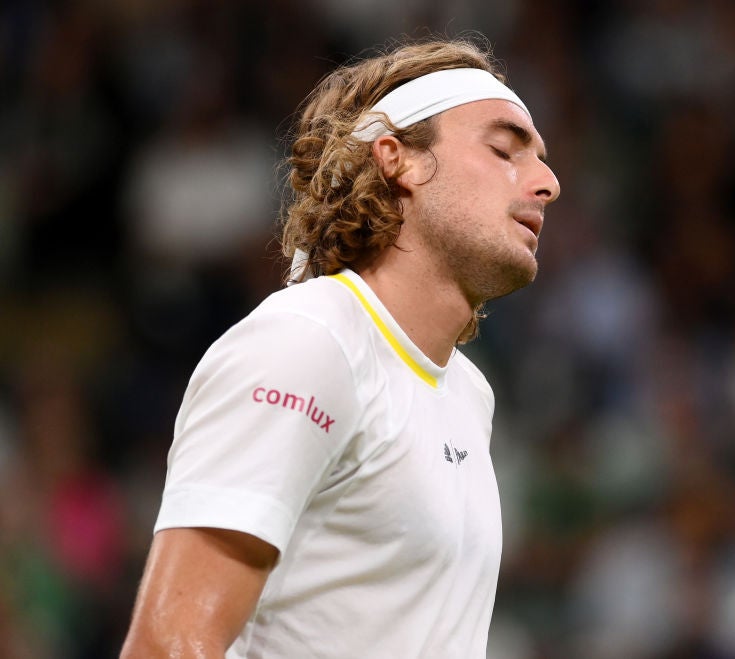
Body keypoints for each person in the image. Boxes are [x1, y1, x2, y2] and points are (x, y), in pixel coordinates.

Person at [120, 37, 560, 658]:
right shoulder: (308, 343)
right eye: (503, 149)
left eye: (541, 159)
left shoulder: (469, 393)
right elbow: (169, 643)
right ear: (397, 158)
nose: (548, 183)